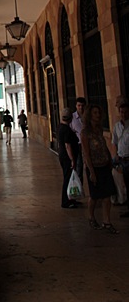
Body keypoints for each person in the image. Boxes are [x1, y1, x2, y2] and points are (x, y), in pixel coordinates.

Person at [81, 104, 117, 233]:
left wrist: (109, 158)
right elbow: (86, 153)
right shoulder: (85, 132)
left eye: (98, 113)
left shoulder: (99, 129)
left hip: (104, 166)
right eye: (95, 113)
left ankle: (107, 221)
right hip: (94, 167)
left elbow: (103, 145)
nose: (98, 115)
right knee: (95, 196)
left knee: (107, 195)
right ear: (90, 115)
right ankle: (91, 217)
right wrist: (91, 172)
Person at [57, 107, 81, 208]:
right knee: (68, 178)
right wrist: (72, 159)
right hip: (67, 158)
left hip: (63, 156)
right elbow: (68, 145)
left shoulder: (60, 127)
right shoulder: (66, 129)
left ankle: (72, 198)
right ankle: (65, 201)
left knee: (70, 177)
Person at [111, 100, 129, 217]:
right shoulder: (117, 126)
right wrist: (115, 155)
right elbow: (114, 142)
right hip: (122, 159)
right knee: (125, 183)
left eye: (126, 112)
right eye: (122, 112)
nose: (123, 114)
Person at [70, 97, 87, 184]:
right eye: (79, 105)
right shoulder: (72, 117)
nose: (81, 107)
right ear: (76, 106)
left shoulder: (88, 117)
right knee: (79, 166)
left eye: (82, 105)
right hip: (78, 145)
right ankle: (80, 186)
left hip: (88, 144)